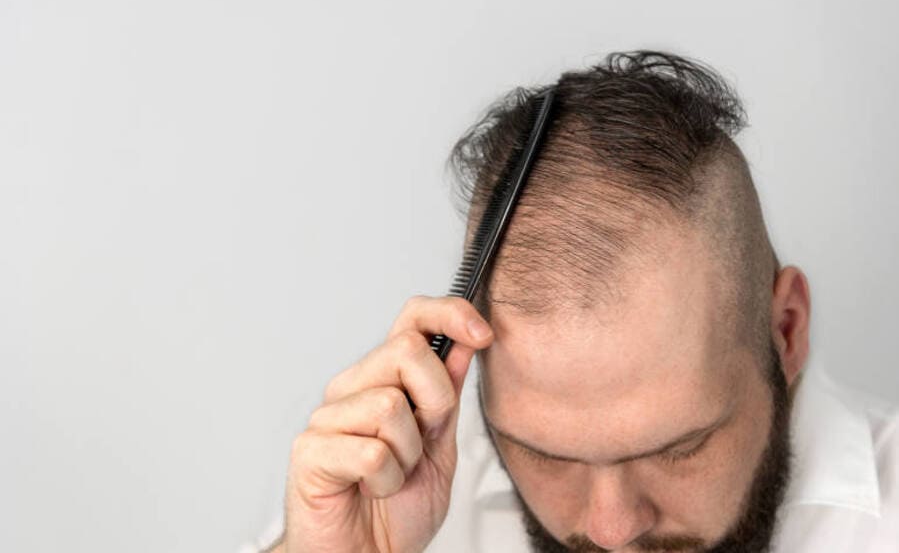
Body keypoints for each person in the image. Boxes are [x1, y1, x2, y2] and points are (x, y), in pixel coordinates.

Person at [246, 51, 899, 552]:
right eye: (544, 456)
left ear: (784, 332)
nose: (610, 530)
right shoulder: (393, 499)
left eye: (677, 449)